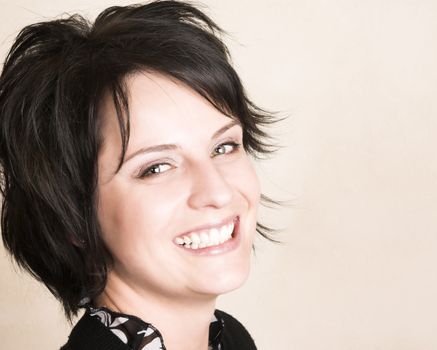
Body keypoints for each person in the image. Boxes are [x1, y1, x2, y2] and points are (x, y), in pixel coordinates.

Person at [0, 1, 277, 349]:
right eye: (156, 168)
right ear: (70, 218)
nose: (218, 192)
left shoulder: (230, 338)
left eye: (223, 147)